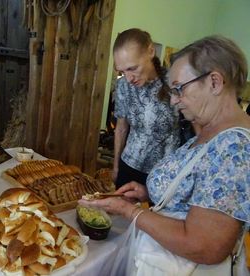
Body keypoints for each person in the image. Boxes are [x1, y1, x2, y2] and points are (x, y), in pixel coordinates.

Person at [79, 35, 250, 275]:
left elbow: (204, 246)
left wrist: (129, 211)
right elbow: (195, 196)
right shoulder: (212, 132)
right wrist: (149, 192)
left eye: (179, 88)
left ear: (214, 82)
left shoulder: (234, 148)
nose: (173, 99)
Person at [112, 28, 180, 189]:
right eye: (122, 71)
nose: (128, 78)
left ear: (150, 51)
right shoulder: (123, 86)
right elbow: (121, 128)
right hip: (129, 165)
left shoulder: (175, 83)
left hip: (165, 172)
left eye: (132, 68)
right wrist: (116, 166)